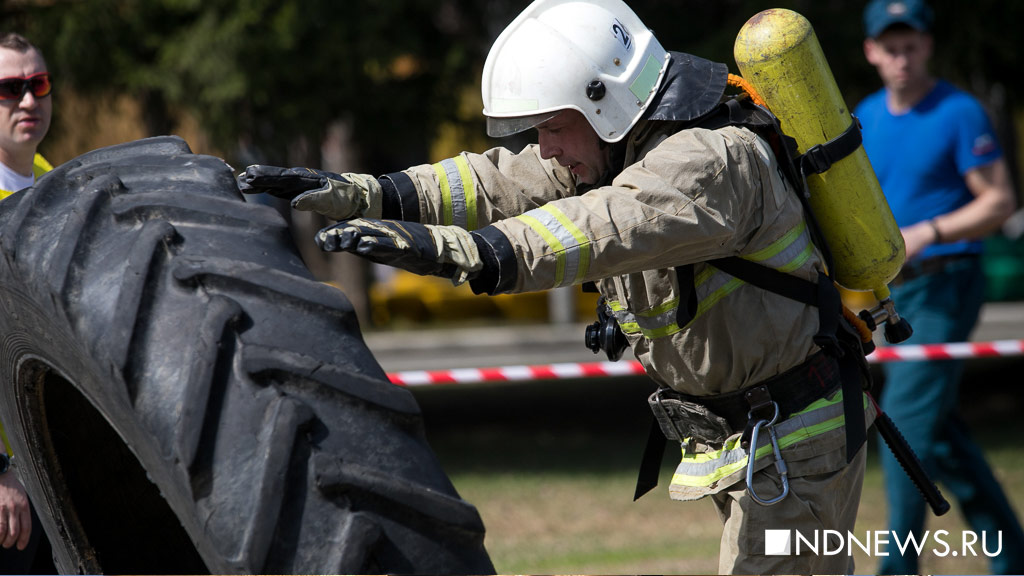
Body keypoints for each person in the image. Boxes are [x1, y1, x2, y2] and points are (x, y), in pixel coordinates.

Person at [239, 0, 878, 572]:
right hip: (750, 441)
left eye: (552, 126)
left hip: (795, 446)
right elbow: (496, 181)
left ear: (607, 103)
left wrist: (461, 254)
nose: (544, 150)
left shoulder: (713, 162)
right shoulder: (618, 147)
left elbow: (601, 225)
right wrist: (368, 193)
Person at [856, 0, 1024, 573]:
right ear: (872, 51)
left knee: (901, 423)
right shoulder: (866, 114)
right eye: (891, 45)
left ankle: (897, 569)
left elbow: (1000, 201)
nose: (902, 56)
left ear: (927, 45)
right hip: (894, 294)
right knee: (939, 432)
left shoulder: (959, 112)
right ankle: (1013, 554)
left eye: (912, 44)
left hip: (948, 282)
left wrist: (929, 231)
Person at [0, 31, 53, 574]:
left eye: (37, 83)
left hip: (50, 473)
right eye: (9, 88)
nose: (28, 101)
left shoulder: (51, 182)